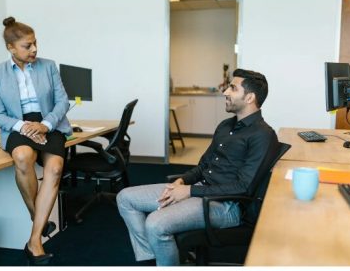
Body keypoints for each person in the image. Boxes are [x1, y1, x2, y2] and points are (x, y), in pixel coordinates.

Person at [117, 69, 279, 266]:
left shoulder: (263, 135)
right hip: (200, 190)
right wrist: (183, 180)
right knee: (125, 198)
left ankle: (163, 256)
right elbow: (203, 166)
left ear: (249, 97)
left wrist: (189, 191)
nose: (225, 92)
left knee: (155, 223)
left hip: (226, 206)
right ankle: (154, 256)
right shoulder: (225, 126)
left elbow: (244, 187)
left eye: (232, 88)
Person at [0, 17, 72, 265]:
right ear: (11, 48)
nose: (34, 49)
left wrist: (44, 125)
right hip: (17, 123)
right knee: (23, 157)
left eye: (35, 43)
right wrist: (24, 127)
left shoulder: (49, 66)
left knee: (55, 168)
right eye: (27, 45)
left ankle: (34, 240)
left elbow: (62, 102)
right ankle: (40, 219)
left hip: (49, 122)